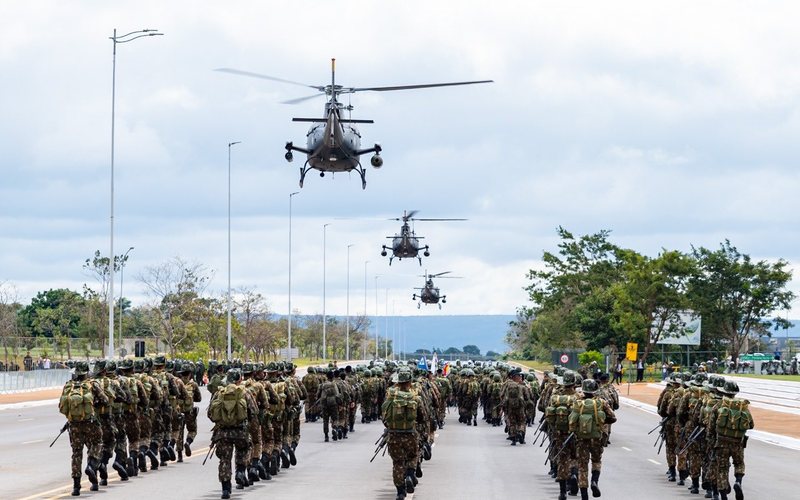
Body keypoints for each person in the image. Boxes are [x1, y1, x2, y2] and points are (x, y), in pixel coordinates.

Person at [58, 361, 108, 496]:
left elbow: (61, 405)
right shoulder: (92, 385)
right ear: (86, 371)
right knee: (97, 444)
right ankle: (91, 466)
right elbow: (105, 400)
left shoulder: (68, 386)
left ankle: (76, 486)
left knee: (76, 453)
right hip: (91, 423)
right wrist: (93, 404)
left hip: (74, 425)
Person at [208, 368, 254, 499]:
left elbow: (210, 414)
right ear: (240, 379)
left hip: (223, 433)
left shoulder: (219, 393)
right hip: (241, 432)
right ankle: (240, 471)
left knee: (224, 460)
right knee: (243, 450)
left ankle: (226, 489)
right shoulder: (245, 392)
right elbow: (253, 412)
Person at [570, 379, 617, 499]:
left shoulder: (578, 403)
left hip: (581, 439)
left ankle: (584, 495)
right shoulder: (601, 402)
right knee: (596, 461)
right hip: (596, 438)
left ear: (583, 390)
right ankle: (594, 481)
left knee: (582, 465)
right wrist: (600, 423)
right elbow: (613, 417)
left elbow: (571, 421)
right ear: (595, 390)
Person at [382, 367, 423, 500]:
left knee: (398, 463)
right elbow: (422, 417)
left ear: (398, 381)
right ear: (410, 381)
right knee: (412, 456)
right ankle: (410, 474)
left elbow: (384, 417)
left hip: (394, 435)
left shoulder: (390, 397)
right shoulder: (415, 397)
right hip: (410, 434)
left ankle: (400, 491)